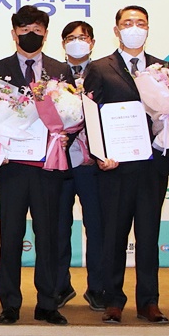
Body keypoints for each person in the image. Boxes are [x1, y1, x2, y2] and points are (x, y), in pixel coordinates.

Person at [81, 5, 169, 325]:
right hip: (115, 167)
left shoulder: (163, 68)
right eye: (128, 23)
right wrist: (99, 154)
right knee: (114, 236)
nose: (135, 27)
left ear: (148, 28)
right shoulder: (99, 67)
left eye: (141, 23)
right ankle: (113, 300)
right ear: (116, 30)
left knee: (148, 237)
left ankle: (149, 302)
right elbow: (90, 115)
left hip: (152, 167)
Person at [0, 6, 73, 325]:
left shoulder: (60, 70)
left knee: (48, 235)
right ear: (14, 33)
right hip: (12, 166)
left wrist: (66, 134)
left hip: (48, 165)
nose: (30, 34)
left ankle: (48, 302)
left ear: (46, 34)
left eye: (36, 29)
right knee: (10, 235)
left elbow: (72, 113)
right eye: (24, 29)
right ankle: (10, 303)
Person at [55, 20, 107, 311]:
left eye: (83, 37)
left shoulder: (105, 72)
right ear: (63, 43)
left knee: (97, 227)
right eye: (71, 38)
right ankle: (60, 286)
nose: (78, 42)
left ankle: (97, 287)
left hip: (94, 163)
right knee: (58, 227)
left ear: (93, 42)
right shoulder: (53, 74)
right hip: (60, 162)